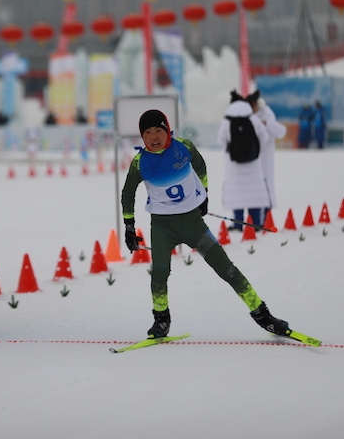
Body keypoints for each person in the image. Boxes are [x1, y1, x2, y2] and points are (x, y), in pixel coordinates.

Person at [120, 109, 290, 339]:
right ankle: (161, 320)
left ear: (167, 130)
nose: (154, 136)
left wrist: (204, 194)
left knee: (226, 268)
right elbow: (127, 193)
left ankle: (263, 316)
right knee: (159, 272)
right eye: (147, 132)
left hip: (193, 224)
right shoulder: (139, 162)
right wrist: (129, 226)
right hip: (162, 227)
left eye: (158, 130)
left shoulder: (184, 147)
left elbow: (200, 166)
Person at [218, 91, 271, 230]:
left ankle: (238, 224)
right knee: (253, 194)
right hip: (253, 164)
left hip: (234, 165)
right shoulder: (253, 118)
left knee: (237, 195)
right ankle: (255, 224)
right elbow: (264, 137)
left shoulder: (227, 121)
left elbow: (221, 140)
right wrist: (253, 149)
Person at [247, 90, 286, 222]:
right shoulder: (248, 115)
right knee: (253, 191)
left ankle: (266, 219)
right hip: (252, 159)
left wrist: (266, 124)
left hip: (264, 159)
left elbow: (281, 131)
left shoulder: (267, 114)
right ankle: (255, 220)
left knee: (266, 188)